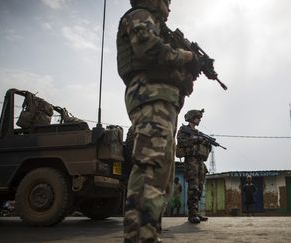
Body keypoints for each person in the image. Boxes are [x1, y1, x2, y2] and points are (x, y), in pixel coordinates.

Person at [117, 0, 201, 241]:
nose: (169, 7)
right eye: (167, 1)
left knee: (162, 174)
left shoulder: (159, 26)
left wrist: (186, 76)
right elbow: (148, 48)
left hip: (163, 101)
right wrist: (187, 56)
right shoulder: (139, 15)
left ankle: (148, 234)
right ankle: (139, 237)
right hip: (150, 97)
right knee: (150, 168)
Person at [176, 109, 210, 224]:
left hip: (200, 161)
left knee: (199, 187)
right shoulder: (183, 130)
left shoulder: (198, 133)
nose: (199, 119)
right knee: (193, 187)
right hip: (191, 161)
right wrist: (196, 139)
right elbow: (181, 142)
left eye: (200, 118)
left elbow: (205, 147)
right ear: (191, 117)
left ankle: (196, 212)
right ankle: (192, 214)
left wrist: (206, 143)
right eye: (197, 117)